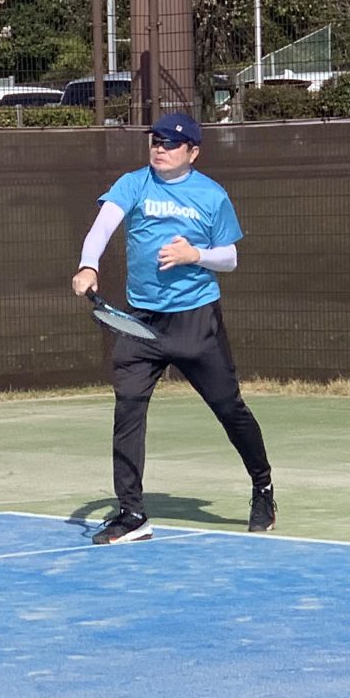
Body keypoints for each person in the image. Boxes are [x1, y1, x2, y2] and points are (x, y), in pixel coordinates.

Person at [70, 109, 274, 544]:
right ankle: (132, 513)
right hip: (140, 322)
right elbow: (102, 228)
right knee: (128, 410)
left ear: (192, 152)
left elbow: (230, 258)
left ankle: (263, 487)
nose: (160, 149)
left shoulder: (212, 195)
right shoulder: (134, 183)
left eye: (170, 143)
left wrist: (194, 255)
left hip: (196, 320)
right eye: (155, 141)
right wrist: (89, 265)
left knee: (229, 408)